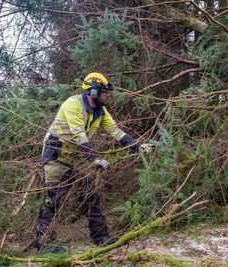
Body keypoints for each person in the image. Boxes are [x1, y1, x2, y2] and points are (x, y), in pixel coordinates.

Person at [29, 72, 153, 250]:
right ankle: (43, 243)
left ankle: (101, 237)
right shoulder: (73, 104)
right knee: (53, 200)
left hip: (77, 157)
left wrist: (137, 146)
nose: (107, 95)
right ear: (93, 92)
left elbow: (115, 131)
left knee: (91, 195)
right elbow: (78, 134)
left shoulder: (100, 112)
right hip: (57, 155)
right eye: (105, 92)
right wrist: (94, 160)